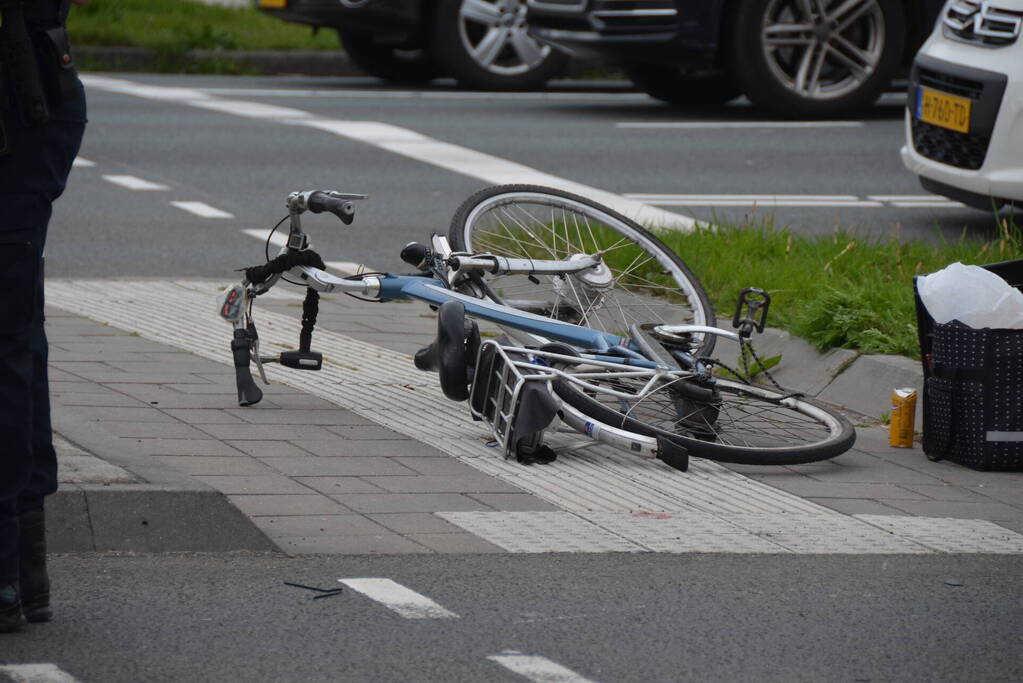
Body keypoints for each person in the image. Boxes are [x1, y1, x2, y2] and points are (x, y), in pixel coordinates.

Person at [0, 0, 89, 633]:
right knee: (15, 337)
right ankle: (22, 570)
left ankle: (12, 570)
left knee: (9, 340)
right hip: (31, 91)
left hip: (21, 100)